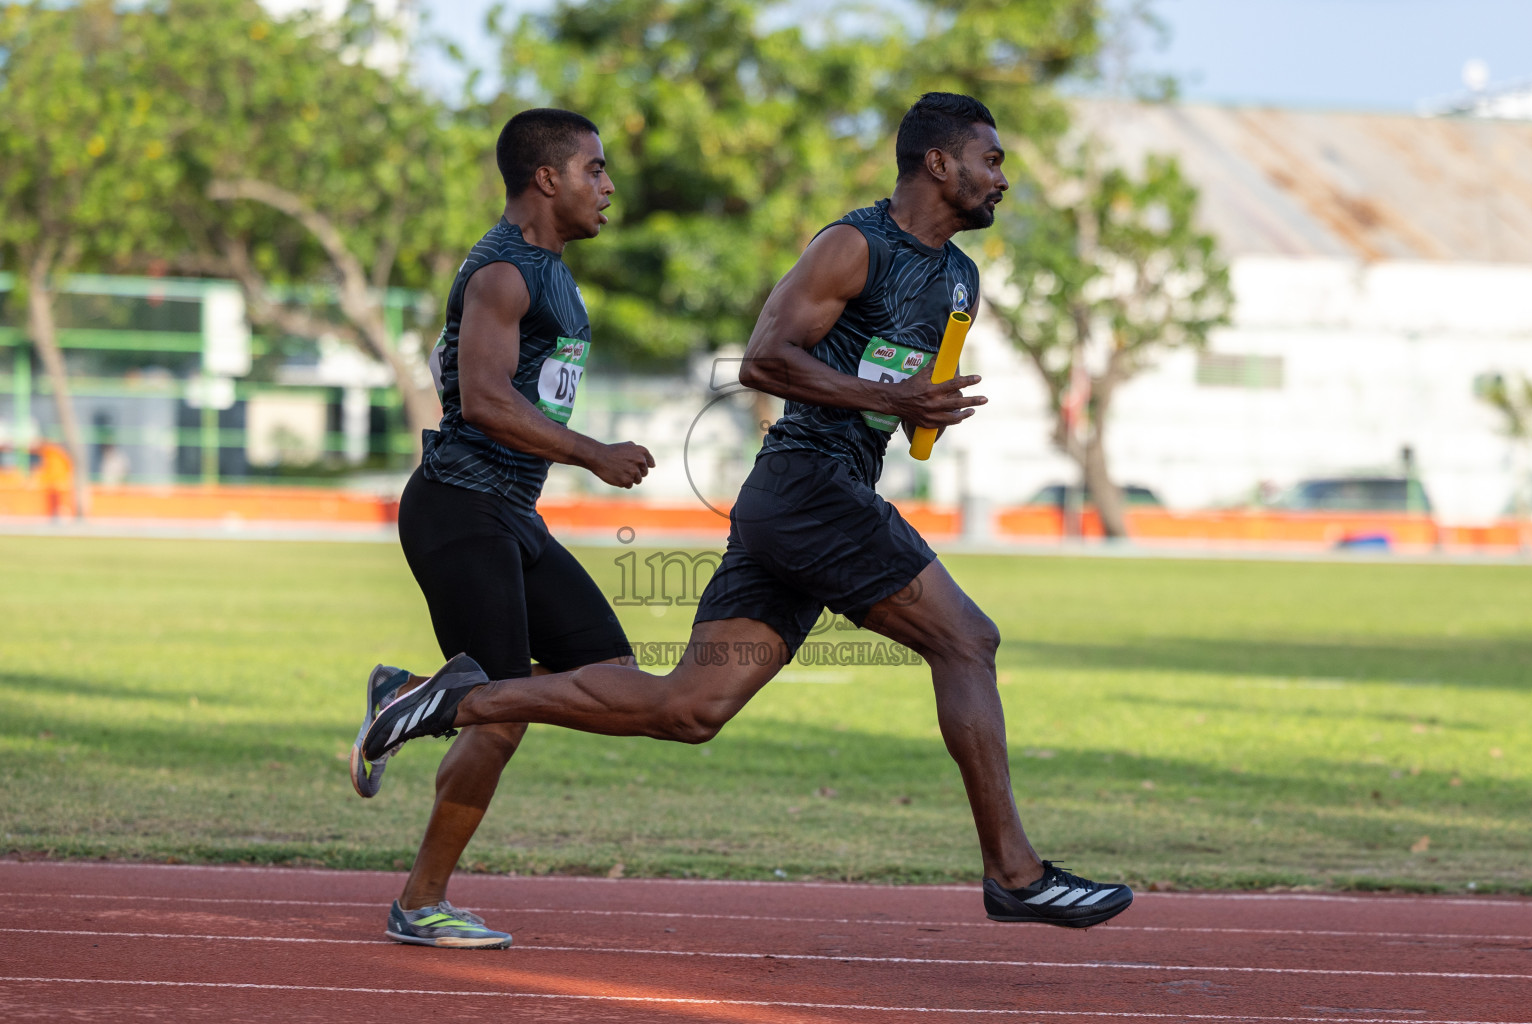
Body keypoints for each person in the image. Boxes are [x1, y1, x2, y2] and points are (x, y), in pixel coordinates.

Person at [364, 93, 1133, 929]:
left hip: (805, 496)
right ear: (938, 163)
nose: (1002, 179)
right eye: (992, 160)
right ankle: (1015, 874)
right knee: (966, 637)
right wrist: (591, 451)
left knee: (685, 708)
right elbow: (765, 361)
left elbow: (896, 398)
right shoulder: (851, 245)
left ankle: (437, 705)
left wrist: (914, 411)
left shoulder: (959, 279)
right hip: (802, 487)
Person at [348, 107, 655, 949]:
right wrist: (594, 453)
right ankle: (421, 901)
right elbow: (483, 400)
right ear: (546, 178)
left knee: (610, 675)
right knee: (504, 712)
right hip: (460, 507)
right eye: (595, 169)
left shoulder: (552, 271)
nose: (609, 185)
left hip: (510, 514)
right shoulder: (503, 274)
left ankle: (414, 695)